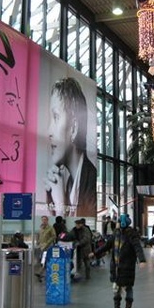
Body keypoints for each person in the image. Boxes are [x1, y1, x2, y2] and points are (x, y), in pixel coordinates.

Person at [45, 77, 97, 217]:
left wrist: (61, 208)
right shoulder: (67, 185)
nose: (49, 132)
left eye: (56, 117)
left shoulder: (90, 181)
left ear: (74, 127)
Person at [89, 214, 146, 308]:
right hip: (115, 267)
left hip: (127, 266)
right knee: (116, 289)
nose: (117, 223)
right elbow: (106, 246)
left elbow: (137, 247)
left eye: (118, 222)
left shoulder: (132, 234)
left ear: (123, 223)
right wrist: (95, 253)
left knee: (128, 288)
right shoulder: (116, 233)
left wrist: (142, 260)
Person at [35, 215, 56, 281]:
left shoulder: (50, 228)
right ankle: (41, 273)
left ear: (47, 220)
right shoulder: (41, 227)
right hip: (41, 246)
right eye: (42, 219)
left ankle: (41, 273)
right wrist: (38, 242)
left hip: (48, 246)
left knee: (46, 260)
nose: (43, 221)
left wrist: (47, 243)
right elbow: (39, 235)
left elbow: (53, 236)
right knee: (43, 260)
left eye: (45, 220)